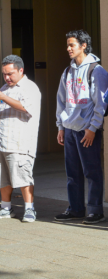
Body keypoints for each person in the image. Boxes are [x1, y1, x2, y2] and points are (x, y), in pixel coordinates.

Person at [54, 30, 108, 224]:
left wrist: (93, 128)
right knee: (72, 172)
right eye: (67, 45)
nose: (68, 49)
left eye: (72, 45)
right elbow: (61, 100)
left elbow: (101, 103)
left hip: (87, 130)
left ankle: (95, 210)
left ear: (84, 46)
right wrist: (60, 126)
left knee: (92, 171)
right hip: (70, 128)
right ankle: (76, 208)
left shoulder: (96, 70)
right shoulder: (67, 71)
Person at [0, 55, 41, 222]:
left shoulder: (29, 87)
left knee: (24, 177)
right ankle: (5, 207)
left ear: (21, 70)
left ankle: (29, 209)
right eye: (4, 74)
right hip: (3, 141)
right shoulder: (4, 88)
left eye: (10, 74)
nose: (7, 78)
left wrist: (3, 97)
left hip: (21, 142)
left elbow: (26, 108)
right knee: (3, 177)